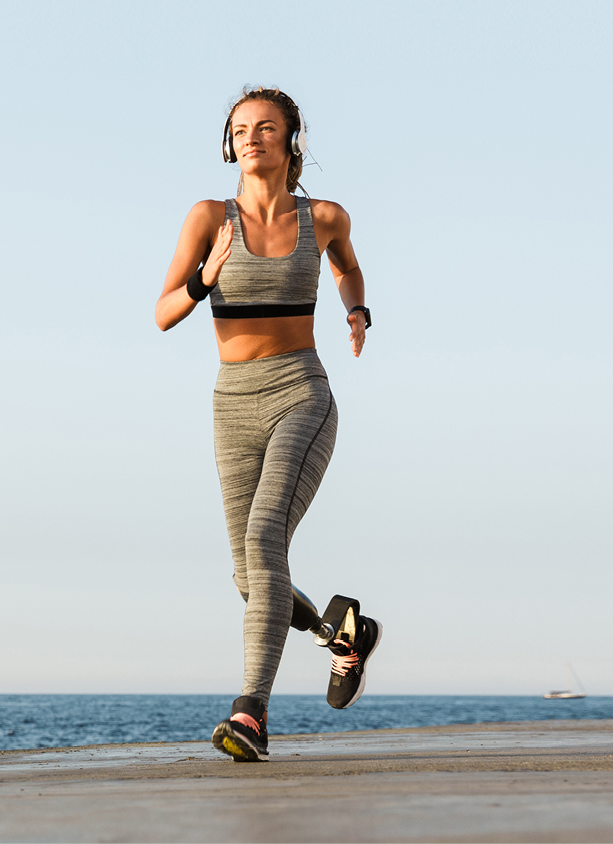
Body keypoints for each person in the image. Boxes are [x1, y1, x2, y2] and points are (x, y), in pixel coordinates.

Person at [154, 86, 382, 763]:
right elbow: (163, 311)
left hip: (301, 396)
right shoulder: (207, 217)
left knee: (263, 537)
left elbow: (348, 268)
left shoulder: (326, 217)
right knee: (251, 578)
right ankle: (343, 636)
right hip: (233, 403)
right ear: (230, 143)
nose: (252, 137)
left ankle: (250, 712)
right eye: (241, 129)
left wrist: (358, 310)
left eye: (266, 128)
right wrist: (205, 279)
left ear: (292, 141)